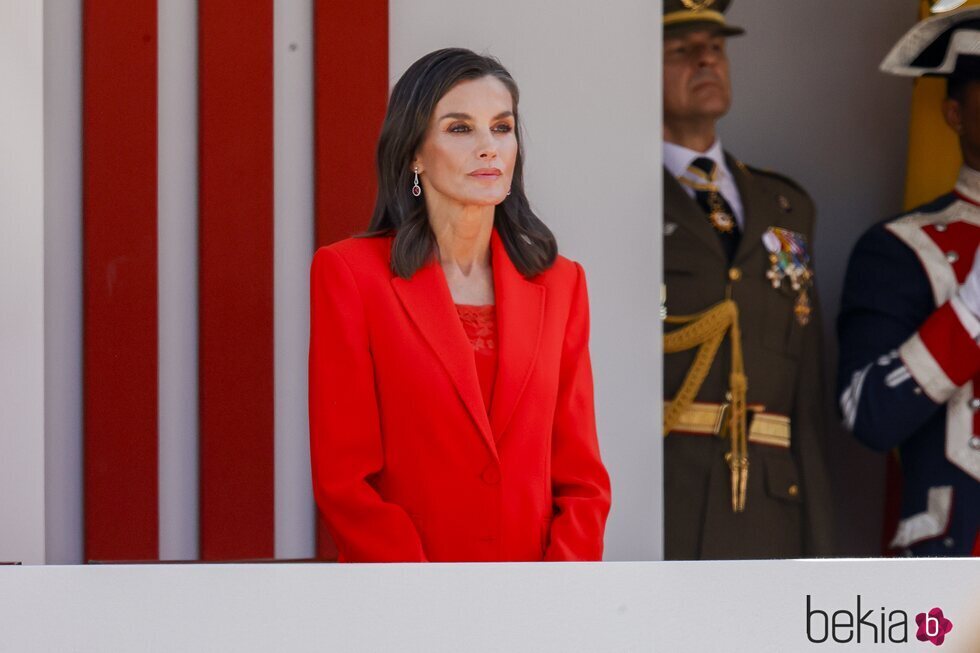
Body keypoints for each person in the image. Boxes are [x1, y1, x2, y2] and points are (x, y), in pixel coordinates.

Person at [308, 48, 611, 562]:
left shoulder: (562, 284)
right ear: (414, 153)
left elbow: (581, 478)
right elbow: (345, 480)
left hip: (536, 608)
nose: (489, 147)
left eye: (501, 127)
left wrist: (561, 595)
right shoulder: (351, 275)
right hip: (407, 606)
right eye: (459, 129)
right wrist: (424, 599)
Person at [661, 0, 834, 559]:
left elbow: (805, 390)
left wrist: (819, 543)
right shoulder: (622, 195)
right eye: (682, 51)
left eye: (716, 48)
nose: (706, 61)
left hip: (769, 511)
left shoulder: (787, 206)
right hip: (661, 500)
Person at [838, 7, 980, 557]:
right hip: (957, 563)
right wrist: (970, 310)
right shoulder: (899, 248)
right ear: (954, 113)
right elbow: (866, 411)